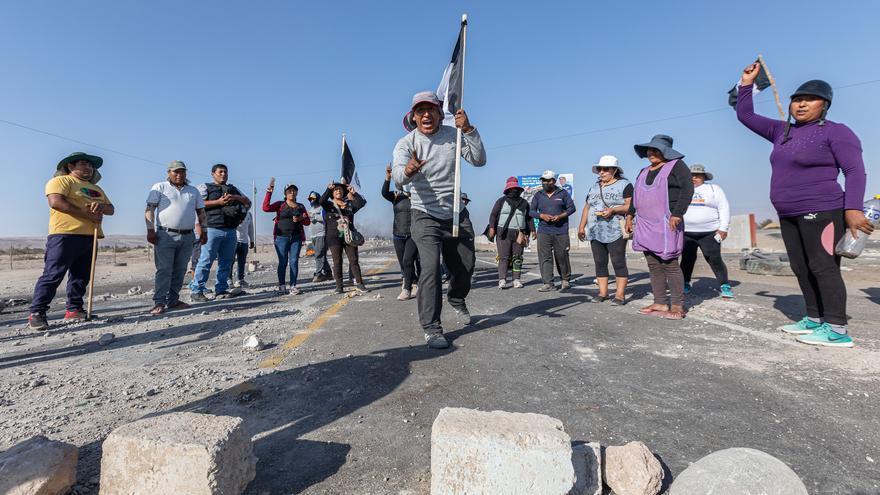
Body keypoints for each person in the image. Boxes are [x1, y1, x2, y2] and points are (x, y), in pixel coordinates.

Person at [736, 63, 871, 347]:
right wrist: (746, 83)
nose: (801, 104)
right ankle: (814, 318)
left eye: (809, 99)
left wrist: (853, 209)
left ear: (825, 105)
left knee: (823, 266)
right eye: (797, 99)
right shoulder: (780, 131)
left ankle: (836, 328)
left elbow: (855, 171)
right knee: (800, 267)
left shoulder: (837, 132)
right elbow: (745, 114)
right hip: (788, 212)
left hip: (822, 209)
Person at [392, 91, 486, 349]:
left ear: (439, 113)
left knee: (465, 268)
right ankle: (432, 328)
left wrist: (468, 130)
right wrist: (409, 170)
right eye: (420, 111)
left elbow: (479, 160)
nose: (425, 115)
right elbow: (399, 176)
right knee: (430, 270)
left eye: (430, 110)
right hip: (424, 215)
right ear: (413, 116)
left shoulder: (453, 135)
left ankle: (457, 298)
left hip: (456, 213)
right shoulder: (406, 143)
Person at [28, 152, 115, 330]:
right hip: (64, 235)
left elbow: (111, 209)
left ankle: (74, 309)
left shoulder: (96, 189)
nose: (88, 168)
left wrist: (101, 207)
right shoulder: (61, 181)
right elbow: (56, 202)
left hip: (90, 236)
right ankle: (37, 312)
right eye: (83, 164)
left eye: (90, 165)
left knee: (81, 276)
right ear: (70, 166)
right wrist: (87, 214)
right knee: (53, 274)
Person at [626, 135, 694, 320]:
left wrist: (678, 213)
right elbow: (635, 195)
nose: (651, 153)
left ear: (666, 152)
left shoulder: (677, 166)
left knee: (670, 263)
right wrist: (630, 215)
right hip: (645, 223)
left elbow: (687, 189)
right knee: (653, 264)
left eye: (656, 150)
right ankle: (660, 302)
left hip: (667, 221)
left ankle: (678, 305)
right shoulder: (643, 170)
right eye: (649, 150)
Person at [145, 160, 207, 316]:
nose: (179, 175)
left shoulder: (193, 191)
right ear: (169, 173)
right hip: (165, 234)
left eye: (182, 172)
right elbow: (150, 209)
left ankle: (173, 300)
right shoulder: (159, 187)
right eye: (175, 172)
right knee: (164, 269)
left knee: (180, 269)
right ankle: (159, 302)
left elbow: (201, 212)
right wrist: (150, 229)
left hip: (188, 235)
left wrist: (204, 230)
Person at [189, 163, 251, 301]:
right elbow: (197, 203)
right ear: (213, 174)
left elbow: (248, 202)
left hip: (230, 230)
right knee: (205, 261)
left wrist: (234, 198)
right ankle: (196, 290)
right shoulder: (205, 187)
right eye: (220, 172)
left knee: (226, 262)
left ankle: (221, 289)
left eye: (225, 172)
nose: (223, 174)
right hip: (212, 228)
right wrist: (218, 202)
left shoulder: (233, 189)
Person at [577, 155, 632, 305]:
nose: (601, 172)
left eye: (605, 169)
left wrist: (614, 210)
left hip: (615, 230)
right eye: (599, 169)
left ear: (614, 170)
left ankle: (620, 295)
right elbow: (587, 207)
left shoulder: (625, 185)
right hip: (595, 230)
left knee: (618, 261)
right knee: (600, 262)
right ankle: (603, 293)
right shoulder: (594, 187)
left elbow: (630, 205)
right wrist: (582, 226)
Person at [681, 164, 733, 298]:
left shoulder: (714, 189)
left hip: (709, 232)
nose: (694, 178)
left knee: (714, 258)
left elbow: (724, 208)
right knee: (687, 259)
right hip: (686, 232)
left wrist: (723, 228)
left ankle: (724, 285)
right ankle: (684, 283)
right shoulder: (682, 189)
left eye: (698, 175)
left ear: (704, 177)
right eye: (691, 175)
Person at [530, 170, 576, 292]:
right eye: (544, 180)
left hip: (561, 230)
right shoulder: (538, 195)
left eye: (548, 180)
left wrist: (560, 216)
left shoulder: (563, 193)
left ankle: (565, 280)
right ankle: (548, 283)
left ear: (554, 181)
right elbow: (531, 211)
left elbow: (572, 208)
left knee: (562, 255)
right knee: (545, 257)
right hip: (544, 231)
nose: (546, 183)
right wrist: (541, 216)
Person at [488, 177, 535, 289]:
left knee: (517, 257)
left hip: (519, 233)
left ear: (519, 189)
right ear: (508, 189)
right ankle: (502, 280)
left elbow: (529, 218)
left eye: (516, 188)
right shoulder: (501, 201)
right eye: (512, 188)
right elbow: (493, 215)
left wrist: (533, 230)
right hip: (503, 233)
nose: (514, 191)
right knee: (503, 257)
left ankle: (516, 280)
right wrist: (492, 228)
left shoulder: (524, 203)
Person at [263, 182, 310, 294]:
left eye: (294, 191)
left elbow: (307, 222)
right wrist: (269, 193)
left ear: (297, 192)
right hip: (281, 238)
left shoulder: (301, 206)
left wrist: (300, 220)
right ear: (285, 193)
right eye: (289, 191)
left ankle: (293, 286)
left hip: (296, 238)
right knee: (283, 262)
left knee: (294, 261)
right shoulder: (280, 205)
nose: (292, 193)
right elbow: (265, 208)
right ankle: (282, 285)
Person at [321, 180, 367, 294]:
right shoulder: (329, 205)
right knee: (337, 261)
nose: (338, 191)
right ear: (332, 193)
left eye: (340, 189)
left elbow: (361, 203)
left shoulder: (350, 205)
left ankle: (360, 284)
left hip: (349, 236)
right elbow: (321, 200)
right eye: (335, 190)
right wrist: (328, 189)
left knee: (354, 260)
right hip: (333, 238)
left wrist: (354, 192)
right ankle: (339, 286)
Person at [383, 165, 421, 300]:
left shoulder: (418, 196)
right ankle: (414, 282)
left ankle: (407, 289)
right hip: (398, 234)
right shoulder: (395, 196)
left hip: (413, 234)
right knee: (403, 263)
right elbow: (384, 193)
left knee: (408, 260)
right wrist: (387, 178)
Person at [307, 191, 332, 282]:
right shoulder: (311, 209)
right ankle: (328, 273)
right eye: (310, 199)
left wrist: (314, 216)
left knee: (318, 254)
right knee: (321, 255)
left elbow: (326, 218)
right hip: (313, 235)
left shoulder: (322, 208)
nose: (311, 200)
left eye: (313, 198)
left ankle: (318, 274)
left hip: (321, 234)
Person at [231, 206, 255, 288]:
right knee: (230, 261)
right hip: (234, 241)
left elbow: (250, 228)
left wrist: (252, 240)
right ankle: (229, 280)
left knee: (242, 262)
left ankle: (240, 280)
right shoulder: (234, 212)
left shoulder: (249, 215)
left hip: (244, 242)